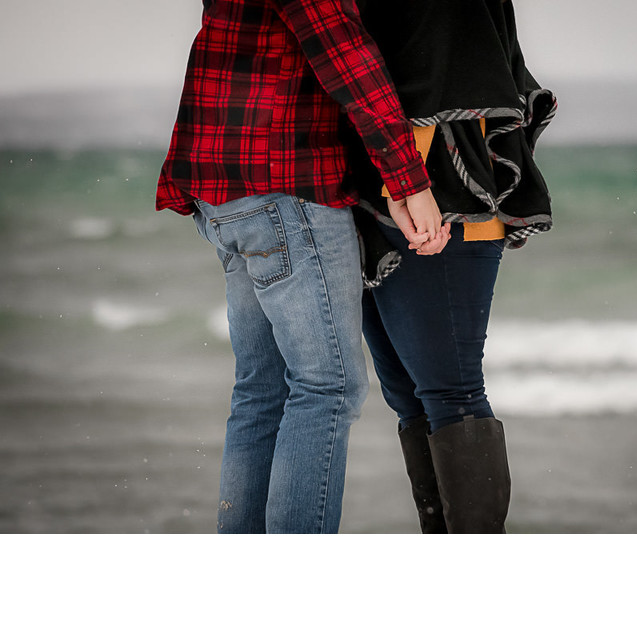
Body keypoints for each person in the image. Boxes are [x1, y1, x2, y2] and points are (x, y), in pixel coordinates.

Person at [155, 0, 447, 533]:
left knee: (261, 390)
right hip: (287, 183)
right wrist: (410, 180)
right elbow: (347, 56)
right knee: (326, 387)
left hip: (225, 189)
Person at [349, 0, 557, 533]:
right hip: (379, 197)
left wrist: (406, 181)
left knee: (450, 392)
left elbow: (447, 67)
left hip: (439, 193)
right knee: (408, 396)